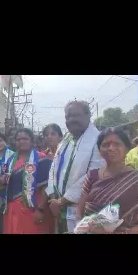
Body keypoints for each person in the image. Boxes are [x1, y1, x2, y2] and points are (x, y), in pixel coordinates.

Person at [41, 100, 104, 233]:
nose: (71, 120)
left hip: (83, 209)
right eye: (67, 117)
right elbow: (53, 168)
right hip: (58, 207)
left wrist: (62, 201)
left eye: (75, 115)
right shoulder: (66, 140)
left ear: (88, 115)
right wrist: (53, 198)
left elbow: (93, 175)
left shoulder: (98, 139)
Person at [76, 128, 138, 233]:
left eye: (117, 144)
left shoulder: (135, 179)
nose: (111, 148)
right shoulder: (92, 176)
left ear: (127, 148)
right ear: (99, 150)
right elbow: (80, 210)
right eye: (105, 145)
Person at [0, 128, 53, 234]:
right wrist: (2, 180)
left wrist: (40, 209)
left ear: (32, 141)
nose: (21, 141)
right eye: (18, 139)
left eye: (25, 139)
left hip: (32, 209)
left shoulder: (42, 159)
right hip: (12, 210)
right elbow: (8, 178)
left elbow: (46, 187)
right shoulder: (11, 159)